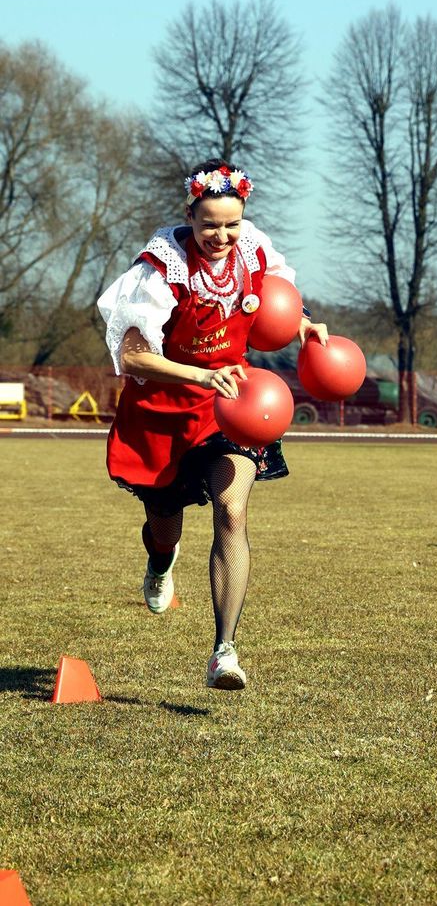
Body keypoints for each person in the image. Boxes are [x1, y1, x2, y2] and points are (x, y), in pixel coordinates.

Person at [97, 159, 328, 689]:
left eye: (232, 223)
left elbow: (280, 295)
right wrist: (201, 375)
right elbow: (132, 357)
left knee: (232, 507)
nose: (222, 235)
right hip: (161, 412)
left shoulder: (253, 248)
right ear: (190, 216)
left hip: (232, 405)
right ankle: (160, 561)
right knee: (164, 521)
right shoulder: (160, 268)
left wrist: (304, 322)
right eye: (210, 224)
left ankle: (224, 652)